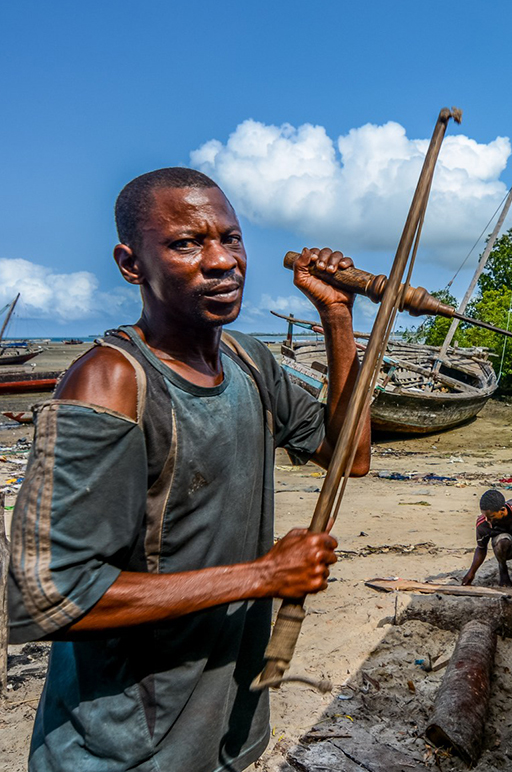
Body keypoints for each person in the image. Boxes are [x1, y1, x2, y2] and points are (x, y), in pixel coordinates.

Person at [8, 167, 370, 772]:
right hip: (122, 744)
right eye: (186, 243)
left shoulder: (247, 359)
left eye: (230, 239)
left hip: (220, 722)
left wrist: (337, 318)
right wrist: (262, 576)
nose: (220, 260)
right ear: (131, 264)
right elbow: (48, 597)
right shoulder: (112, 383)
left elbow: (349, 457)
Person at [462, 489, 512, 588]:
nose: (487, 520)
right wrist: (471, 573)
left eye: (491, 516)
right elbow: (481, 548)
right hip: (505, 548)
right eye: (485, 516)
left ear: (502, 510)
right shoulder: (483, 524)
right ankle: (503, 569)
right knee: (503, 541)